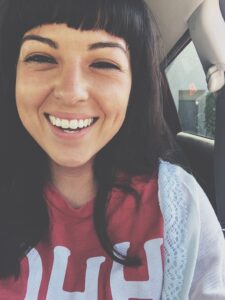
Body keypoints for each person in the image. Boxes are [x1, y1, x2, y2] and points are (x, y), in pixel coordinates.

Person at [0, 0, 224, 299]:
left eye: (103, 63)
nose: (71, 92)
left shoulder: (180, 205)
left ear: (135, 84)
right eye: (41, 57)